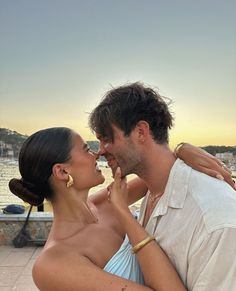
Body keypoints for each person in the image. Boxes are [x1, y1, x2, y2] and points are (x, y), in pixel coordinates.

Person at [8, 127, 229, 291]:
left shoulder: (105, 203)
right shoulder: (52, 264)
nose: (98, 154)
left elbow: (158, 167)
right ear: (62, 172)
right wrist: (124, 214)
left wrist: (183, 149)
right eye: (86, 149)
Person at [89, 82, 236, 290]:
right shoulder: (154, 189)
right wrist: (181, 149)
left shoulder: (215, 221)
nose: (100, 151)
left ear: (141, 131)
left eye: (106, 139)